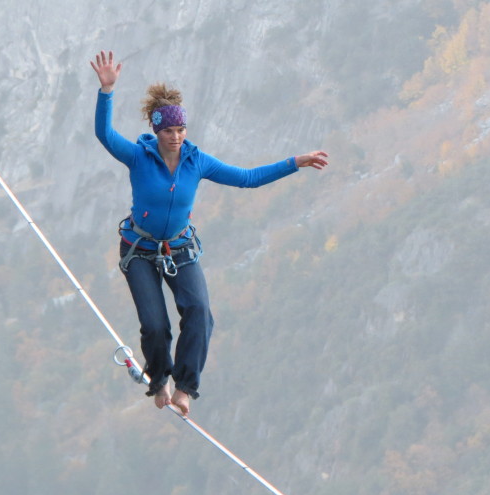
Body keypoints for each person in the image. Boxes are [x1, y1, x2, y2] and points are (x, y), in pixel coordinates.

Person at [90, 50, 328, 417]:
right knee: (155, 326)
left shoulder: (197, 161)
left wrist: (294, 162)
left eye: (181, 129)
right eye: (169, 130)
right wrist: (107, 92)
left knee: (200, 312)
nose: (176, 136)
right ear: (157, 130)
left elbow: (247, 178)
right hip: (138, 249)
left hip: (179, 248)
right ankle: (159, 381)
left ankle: (185, 387)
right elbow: (104, 134)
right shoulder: (138, 157)